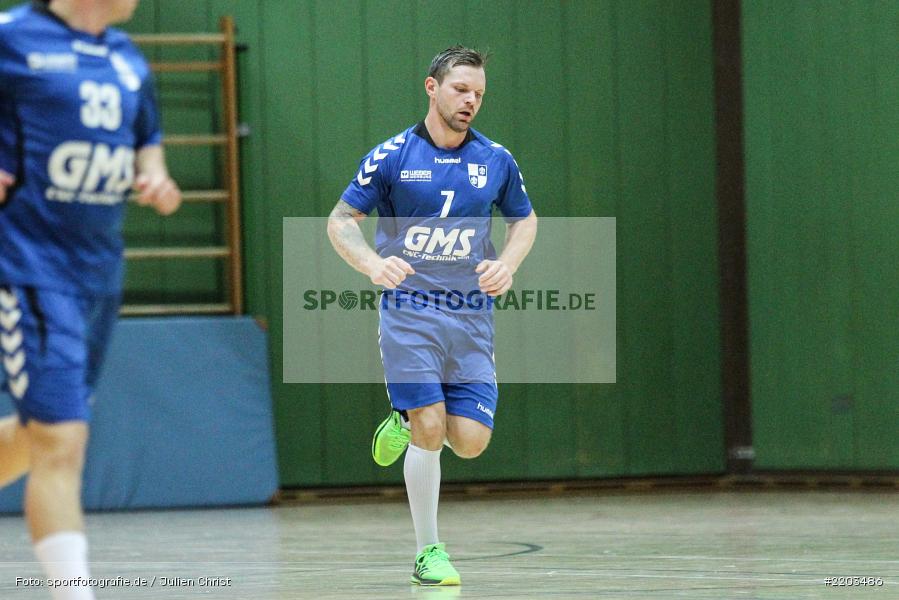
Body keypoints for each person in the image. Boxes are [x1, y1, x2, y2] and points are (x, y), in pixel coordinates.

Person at [328, 45, 538, 586]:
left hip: (469, 316)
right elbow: (341, 220)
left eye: (479, 94)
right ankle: (429, 552)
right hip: (410, 311)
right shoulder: (393, 156)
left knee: (469, 441)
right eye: (461, 89)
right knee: (431, 425)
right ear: (432, 87)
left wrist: (508, 266)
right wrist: (373, 264)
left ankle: (401, 418)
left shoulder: (496, 160)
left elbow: (524, 220)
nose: (471, 101)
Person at [0, 1, 181, 598]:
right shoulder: (13, 38)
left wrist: (157, 178)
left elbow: (147, 146)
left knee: (40, 433)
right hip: (28, 264)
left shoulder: (126, 58)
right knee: (61, 440)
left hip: (98, 272)